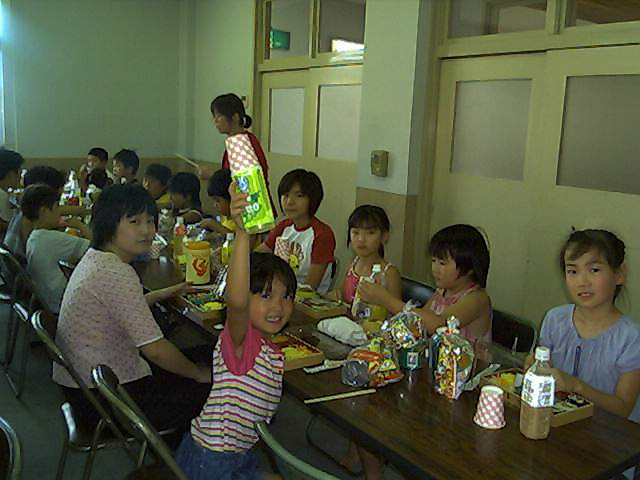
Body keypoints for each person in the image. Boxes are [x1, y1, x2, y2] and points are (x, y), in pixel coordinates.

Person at [52, 184, 211, 444]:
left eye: (150, 221)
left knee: (202, 354)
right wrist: (198, 373)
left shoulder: (97, 258)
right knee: (215, 383)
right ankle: (181, 457)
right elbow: (156, 350)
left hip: (84, 388)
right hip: (107, 404)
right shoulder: (116, 272)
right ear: (109, 224)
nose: (146, 230)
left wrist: (156, 295)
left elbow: (117, 310)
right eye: (134, 221)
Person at [176, 181, 294, 480]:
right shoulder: (242, 342)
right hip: (213, 460)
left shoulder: (265, 346)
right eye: (265, 296)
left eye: (286, 297)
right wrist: (242, 234)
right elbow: (238, 302)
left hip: (236, 454)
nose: (278, 306)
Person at [537, 229, 640, 419]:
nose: (582, 281)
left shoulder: (631, 338)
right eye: (573, 271)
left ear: (619, 274)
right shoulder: (554, 319)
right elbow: (543, 368)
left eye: (594, 270)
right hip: (561, 425)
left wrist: (576, 386)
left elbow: (623, 408)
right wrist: (536, 368)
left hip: (612, 434)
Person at [333, 205, 402, 479]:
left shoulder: (388, 272)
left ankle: (368, 459)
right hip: (352, 338)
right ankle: (354, 451)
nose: (361, 239)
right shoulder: (353, 265)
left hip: (376, 346)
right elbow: (342, 296)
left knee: (363, 404)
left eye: (370, 232)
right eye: (356, 232)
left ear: (384, 236)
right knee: (348, 394)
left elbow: (397, 315)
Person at [360, 224, 492, 354]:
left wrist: (386, 300)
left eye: (442, 263)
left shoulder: (477, 298)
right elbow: (418, 323)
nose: (435, 269)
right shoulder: (442, 292)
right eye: (433, 261)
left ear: (469, 268)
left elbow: (438, 325)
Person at [256, 169, 336, 293]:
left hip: (306, 300)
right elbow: (256, 256)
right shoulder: (283, 227)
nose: (289, 202)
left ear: (313, 199)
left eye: (299, 196)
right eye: (286, 195)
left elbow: (310, 287)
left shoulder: (322, 234)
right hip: (278, 293)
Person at [22, 184, 91, 314]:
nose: (59, 212)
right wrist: (81, 226)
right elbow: (98, 249)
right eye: (56, 207)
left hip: (46, 302)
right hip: (65, 305)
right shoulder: (51, 239)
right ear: (44, 212)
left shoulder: (33, 237)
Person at [210, 93, 277, 217]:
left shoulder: (244, 143)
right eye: (214, 117)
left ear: (235, 117)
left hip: (252, 209)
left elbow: (244, 182)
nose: (215, 122)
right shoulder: (235, 142)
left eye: (219, 116)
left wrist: (211, 176)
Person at [199, 168, 234, 235]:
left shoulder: (240, 222)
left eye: (218, 201)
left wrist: (215, 226)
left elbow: (237, 238)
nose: (215, 205)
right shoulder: (225, 218)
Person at [0, 149, 24, 236]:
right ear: (11, 174)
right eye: (20, 173)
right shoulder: (2, 195)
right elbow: (9, 226)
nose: (20, 178)